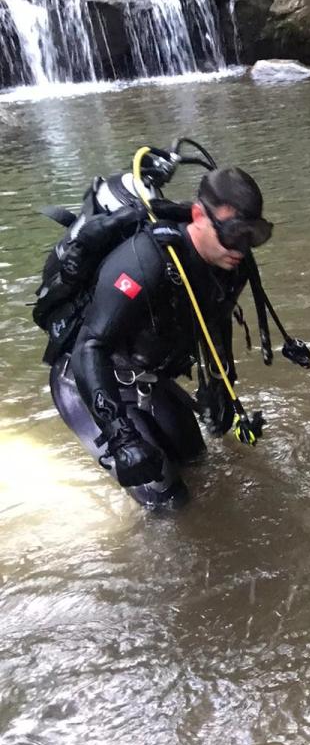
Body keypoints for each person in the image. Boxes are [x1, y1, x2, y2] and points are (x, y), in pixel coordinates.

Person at [49, 167, 278, 509]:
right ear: (199, 215)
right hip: (85, 380)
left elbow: (215, 320)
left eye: (253, 235)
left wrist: (219, 384)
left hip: (149, 380)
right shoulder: (145, 260)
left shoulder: (232, 264)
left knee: (201, 466)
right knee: (171, 504)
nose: (242, 248)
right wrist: (120, 437)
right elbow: (89, 347)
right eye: (233, 234)